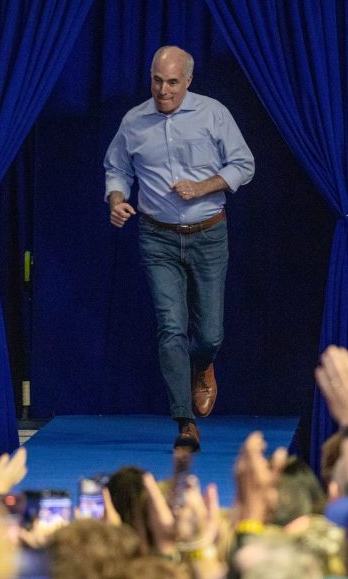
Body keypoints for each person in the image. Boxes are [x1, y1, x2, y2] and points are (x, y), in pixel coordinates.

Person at [103, 45, 255, 452]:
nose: (163, 90)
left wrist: (202, 186)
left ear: (188, 81)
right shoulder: (134, 121)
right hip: (157, 237)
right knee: (171, 327)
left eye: (172, 82)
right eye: (157, 80)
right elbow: (116, 167)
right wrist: (116, 200)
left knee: (209, 334)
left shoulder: (213, 114)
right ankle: (184, 421)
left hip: (209, 232)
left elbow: (244, 164)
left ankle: (203, 364)